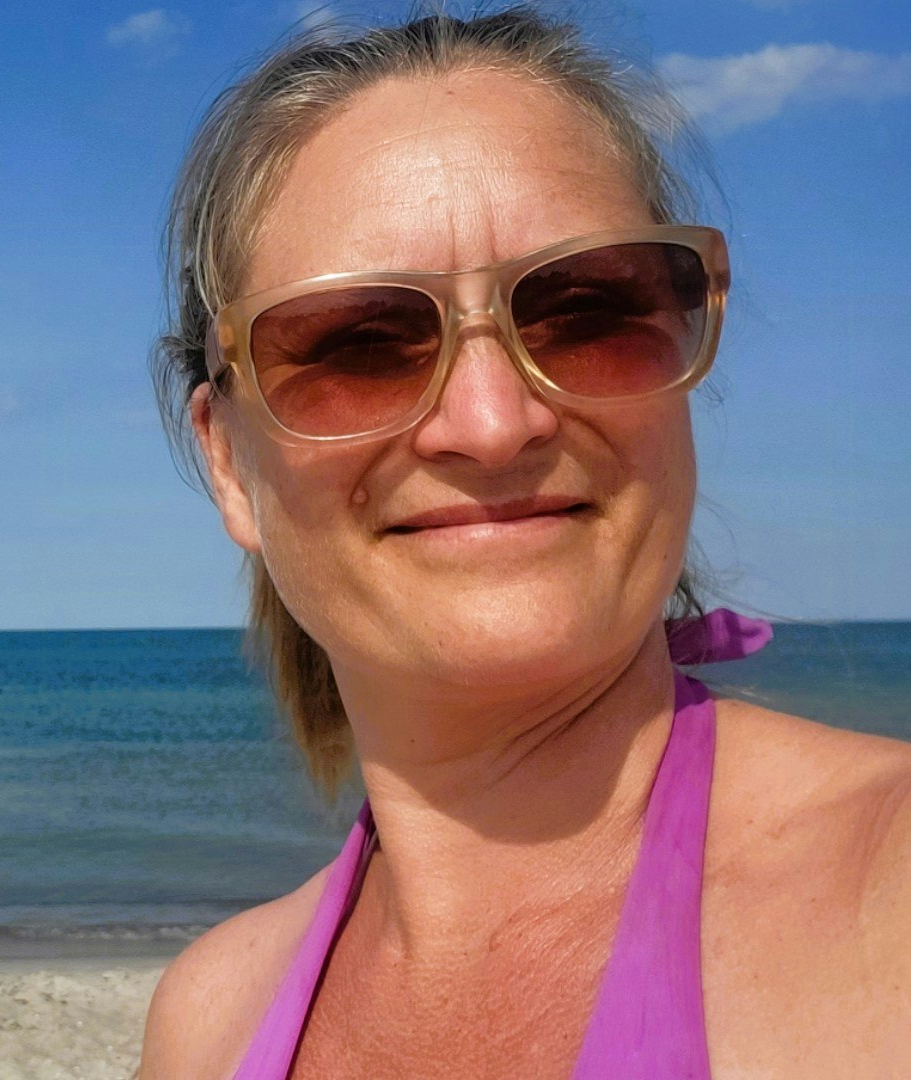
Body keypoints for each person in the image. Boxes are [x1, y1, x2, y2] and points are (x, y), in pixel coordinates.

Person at [140, 8, 911, 1078]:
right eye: (360, 345)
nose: (494, 422)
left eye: (586, 314)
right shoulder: (209, 1018)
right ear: (229, 461)